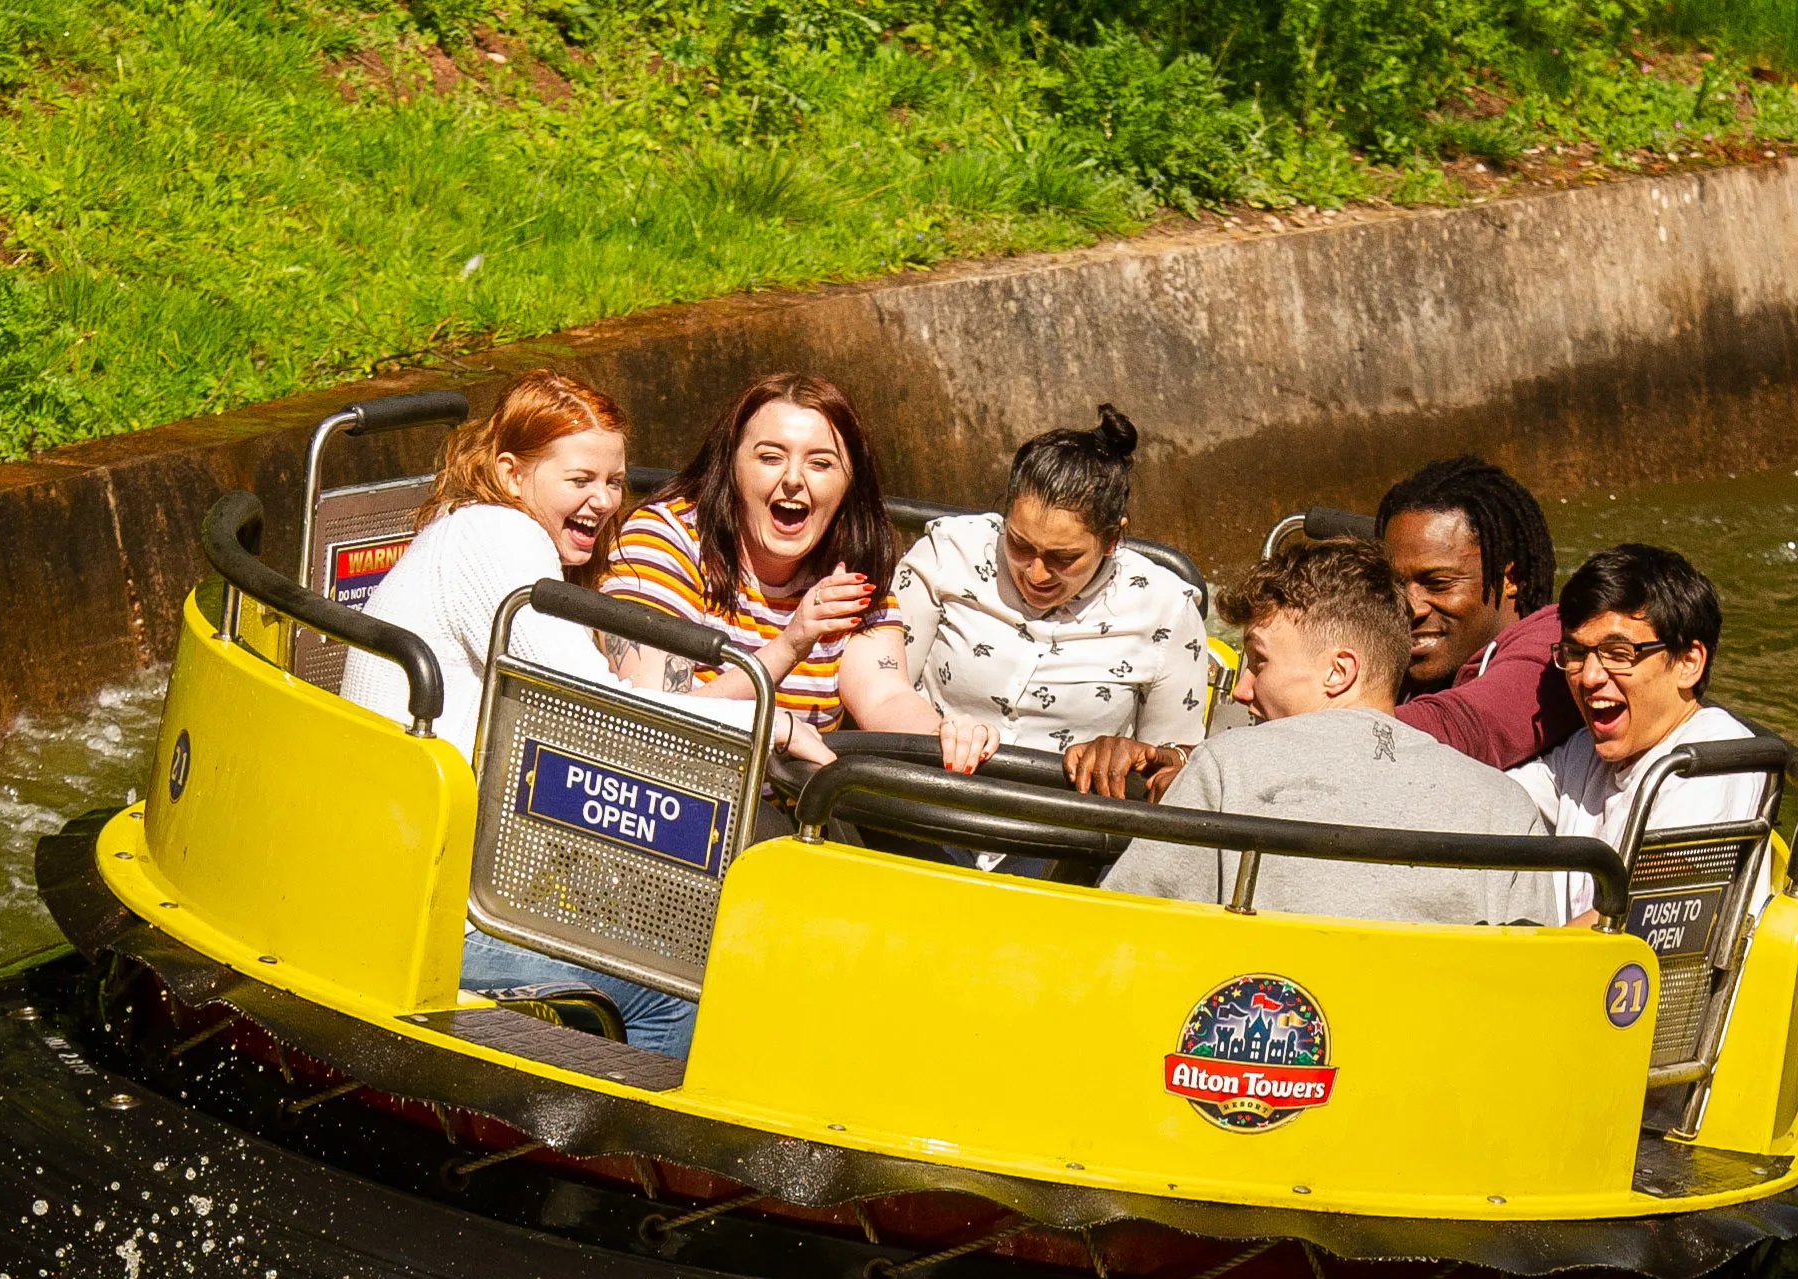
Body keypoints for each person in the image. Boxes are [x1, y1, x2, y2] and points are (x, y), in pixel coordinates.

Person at [340, 370, 754, 1056]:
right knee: (676, 986)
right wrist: (770, 725)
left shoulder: (478, 533)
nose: (604, 501)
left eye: (616, 482)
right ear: (510, 473)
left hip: (433, 872)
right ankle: (639, 1144)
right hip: (428, 906)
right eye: (580, 480)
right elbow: (596, 713)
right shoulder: (496, 539)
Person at [1102, 538, 1556, 926]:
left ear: (1338, 672)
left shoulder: (1227, 768)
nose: (1241, 690)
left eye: (1259, 662)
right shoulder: (1505, 809)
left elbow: (1131, 931)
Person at [602, 374, 986, 768]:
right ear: (731, 465)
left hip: (798, 813)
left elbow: (885, 696)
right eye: (770, 457)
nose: (792, 479)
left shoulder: (852, 566)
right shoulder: (665, 540)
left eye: (820, 463)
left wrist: (945, 736)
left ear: (849, 482)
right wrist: (790, 645)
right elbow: (653, 722)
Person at [897, 405, 1209, 804]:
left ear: (1112, 540)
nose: (1036, 573)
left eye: (1064, 558)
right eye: (1019, 545)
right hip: (922, 798)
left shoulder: (1166, 608)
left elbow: (1177, 761)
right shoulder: (946, 555)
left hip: (1065, 833)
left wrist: (1132, 755)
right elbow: (884, 684)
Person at [1507, 543, 1753, 924]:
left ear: (1689, 663)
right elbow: (1498, 798)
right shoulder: (1586, 753)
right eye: (1576, 653)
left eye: (1618, 654)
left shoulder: (1717, 759)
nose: (1589, 677)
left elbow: (1639, 912)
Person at [1376, 454, 1582, 769]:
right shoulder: (1387, 637)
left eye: (1438, 583)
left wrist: (1309, 723)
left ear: (1509, 579)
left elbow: (1469, 730)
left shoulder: (1555, 651)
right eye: (1395, 585)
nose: (1411, 607)